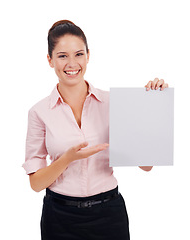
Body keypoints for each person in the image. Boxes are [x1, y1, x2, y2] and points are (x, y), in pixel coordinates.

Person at [22, 20, 169, 240]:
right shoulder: (39, 112)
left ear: (88, 56)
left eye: (79, 54)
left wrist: (151, 106)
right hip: (59, 217)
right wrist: (67, 159)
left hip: (109, 215)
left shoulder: (114, 104)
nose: (72, 63)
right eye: (62, 56)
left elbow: (146, 165)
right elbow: (36, 183)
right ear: (50, 60)